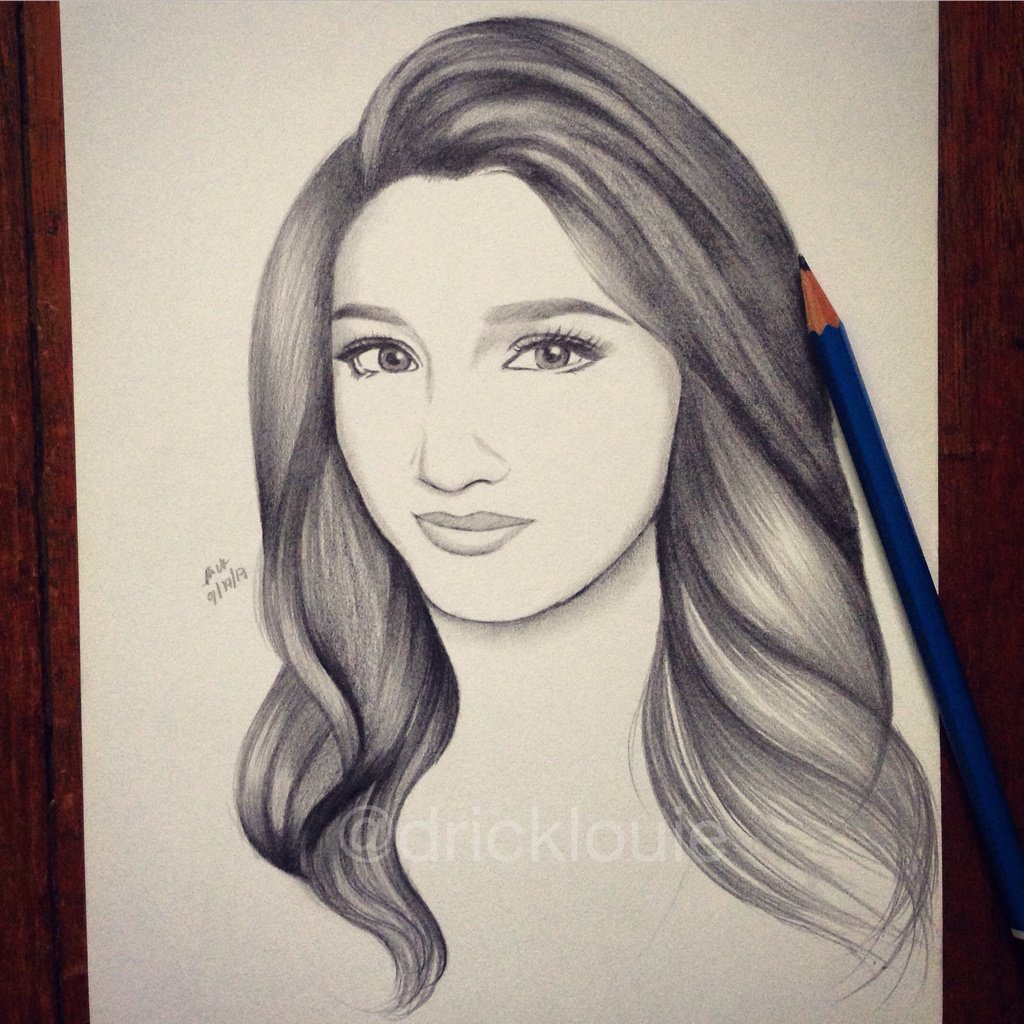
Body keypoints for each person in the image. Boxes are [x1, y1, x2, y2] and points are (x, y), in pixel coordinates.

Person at [236, 16, 935, 1014]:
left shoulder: (849, 846)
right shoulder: (305, 806)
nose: (446, 463)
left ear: (708, 358)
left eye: (549, 351)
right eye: (381, 357)